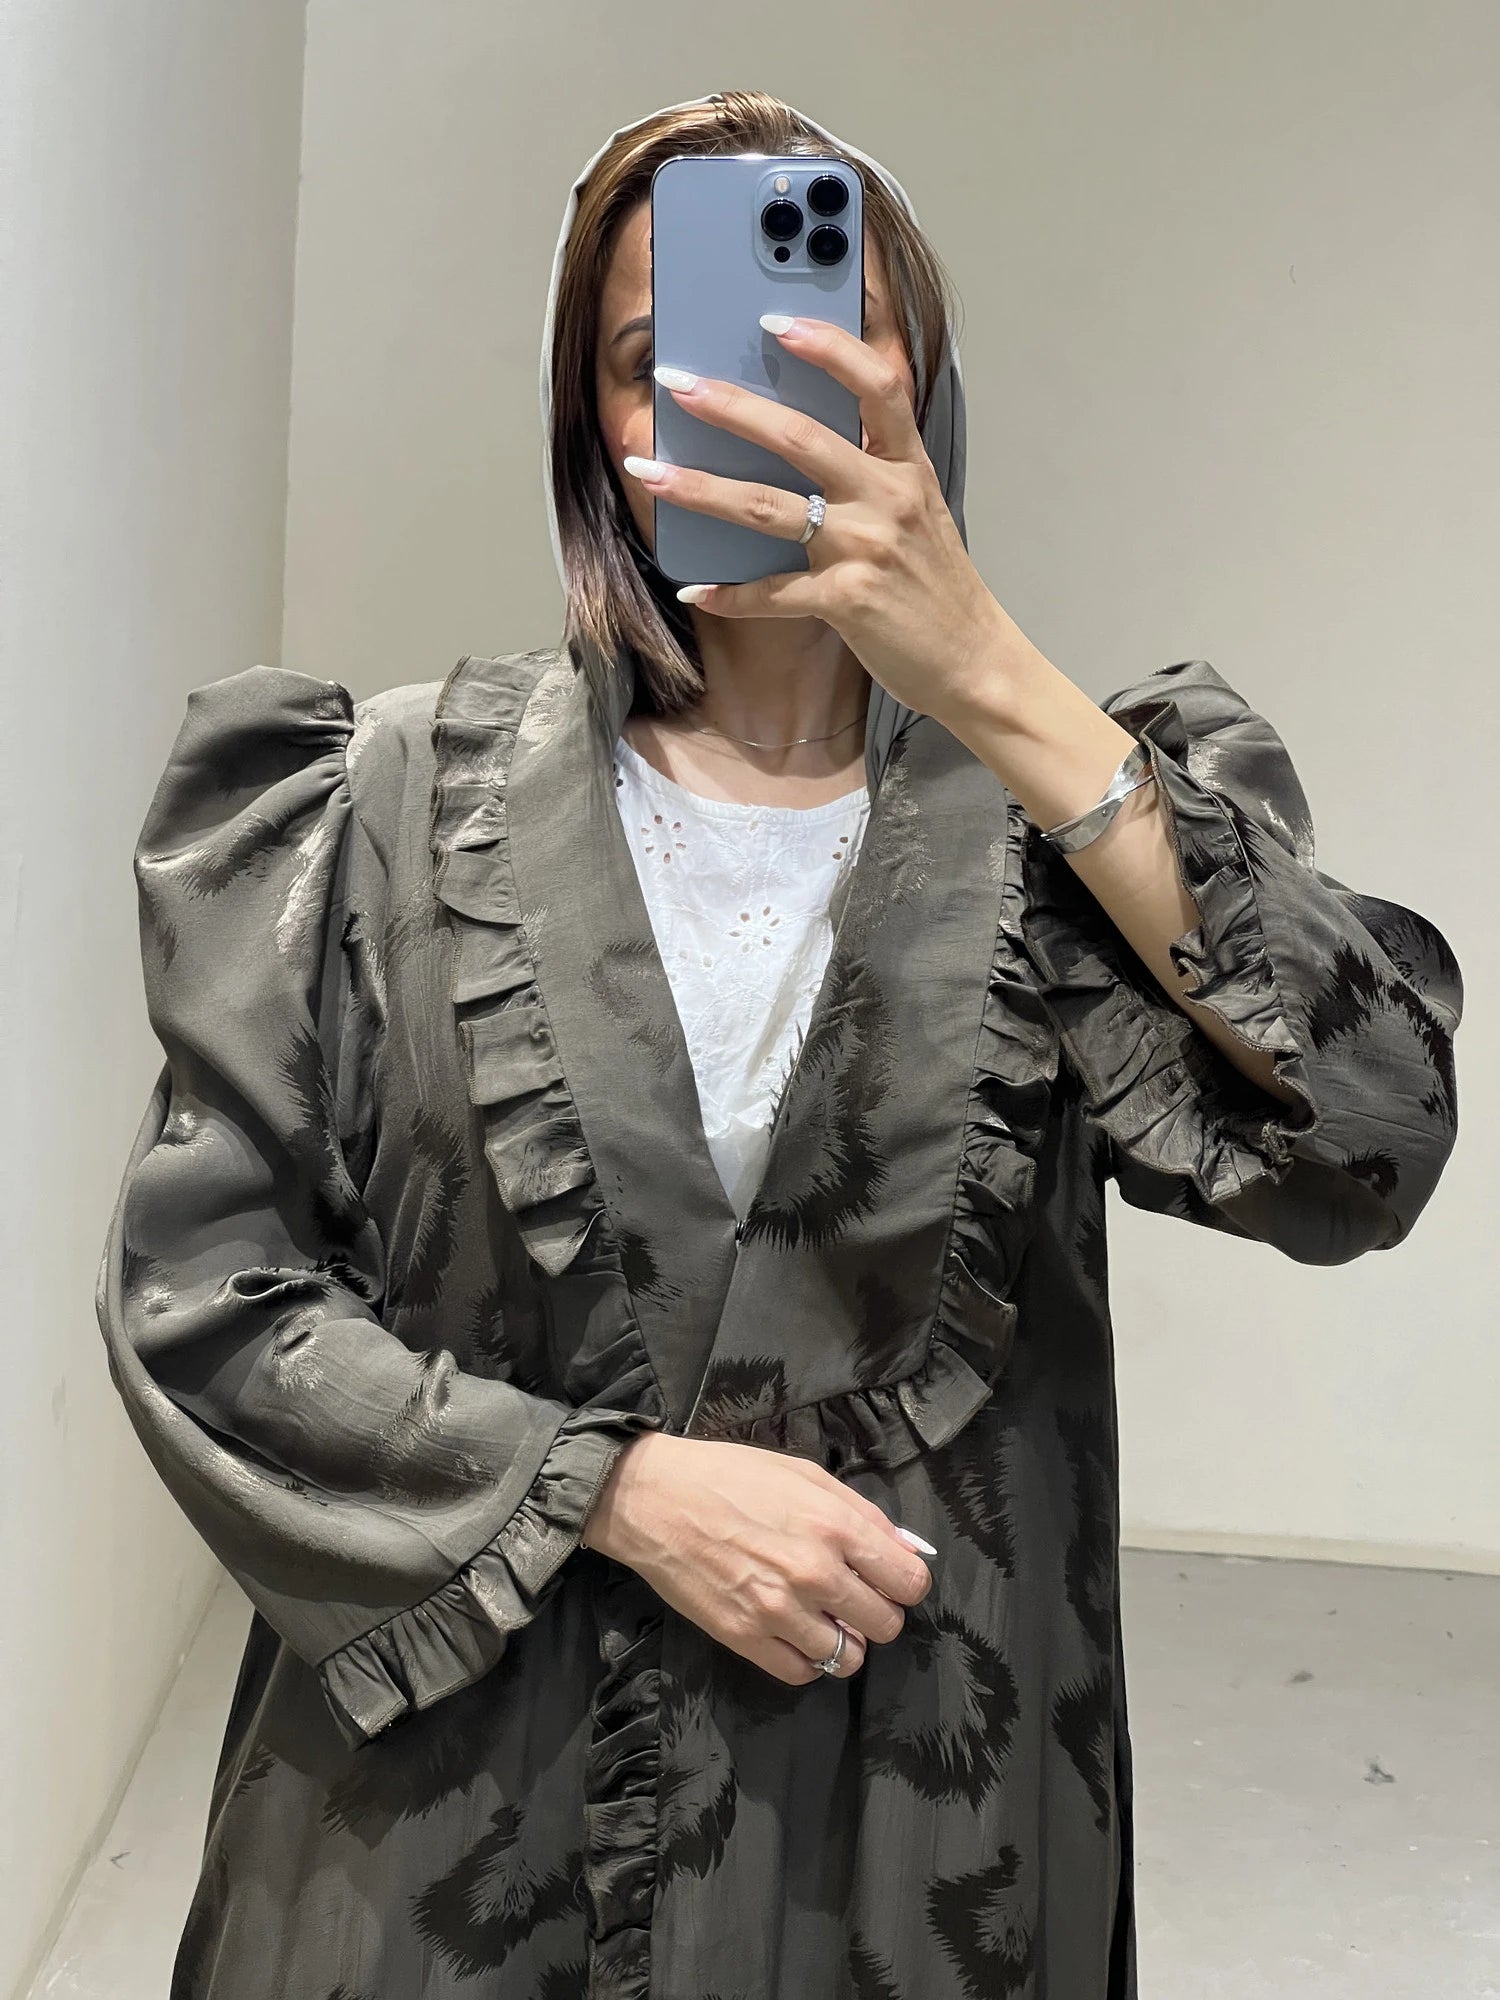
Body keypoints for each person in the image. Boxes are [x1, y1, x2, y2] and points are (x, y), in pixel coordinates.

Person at [96, 89, 1463, 2000]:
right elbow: (209, 1300)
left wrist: (991, 673)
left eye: (821, 346)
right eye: (649, 362)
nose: (733, 400)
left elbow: (1370, 1139)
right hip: (455, 1839)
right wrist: (615, 1491)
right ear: (592, 428)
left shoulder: (1076, 824)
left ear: (923, 392)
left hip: (907, 1836)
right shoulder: (376, 805)